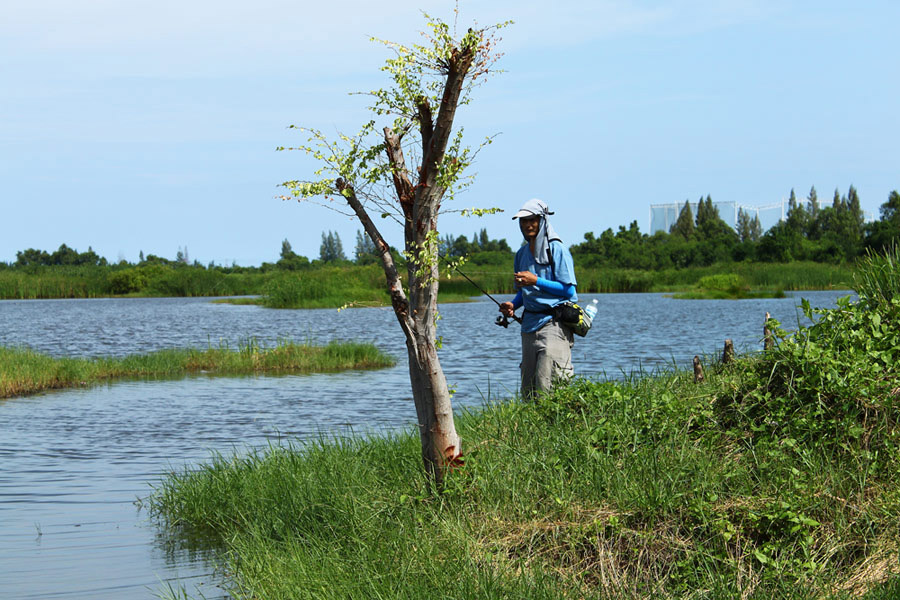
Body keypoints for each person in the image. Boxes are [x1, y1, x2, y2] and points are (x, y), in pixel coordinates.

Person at [499, 198, 578, 401]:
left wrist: (536, 280)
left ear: (542, 220)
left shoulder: (557, 250)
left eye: (532, 220)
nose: (527, 225)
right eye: (523, 221)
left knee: (550, 388)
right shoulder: (521, 254)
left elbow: (568, 291)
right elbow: (523, 293)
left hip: (554, 324)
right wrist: (513, 305)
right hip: (528, 327)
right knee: (528, 390)